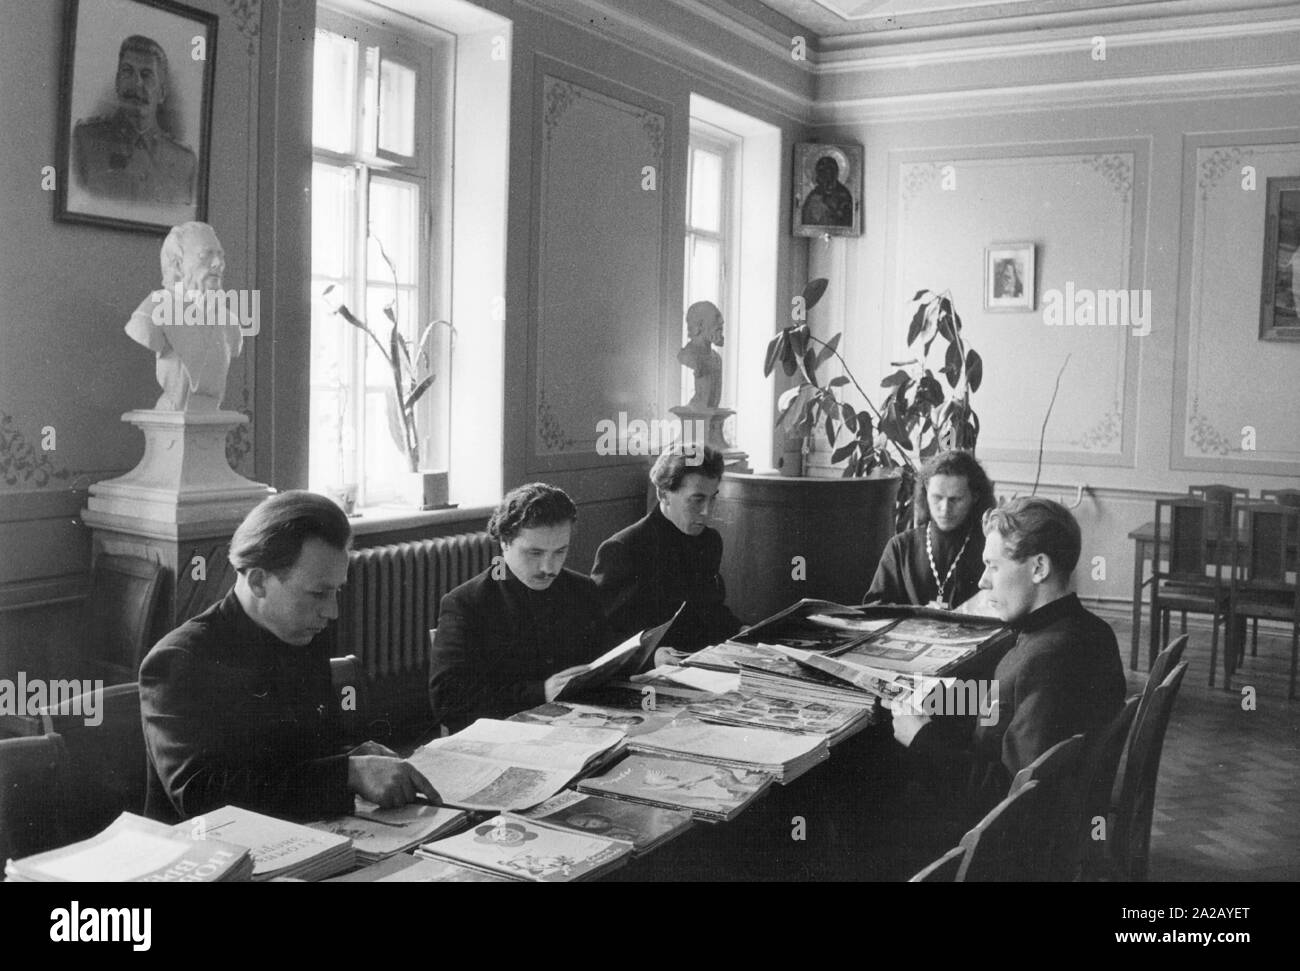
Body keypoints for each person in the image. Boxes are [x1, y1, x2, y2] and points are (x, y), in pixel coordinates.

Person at [140, 491, 439, 823]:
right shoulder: (180, 659)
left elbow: (297, 757)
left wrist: (348, 757)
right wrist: (346, 772)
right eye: (318, 593)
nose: (332, 611)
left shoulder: (302, 633)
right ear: (258, 581)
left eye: (336, 591)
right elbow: (201, 797)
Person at [890, 496, 1126, 839]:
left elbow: (1012, 800)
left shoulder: (1046, 660)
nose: (983, 581)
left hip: (1003, 845)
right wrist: (942, 708)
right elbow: (1007, 717)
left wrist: (922, 738)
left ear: (1039, 568)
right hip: (1058, 818)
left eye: (994, 566)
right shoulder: (1089, 631)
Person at [428, 483, 609, 733]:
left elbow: (607, 661)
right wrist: (541, 692)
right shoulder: (466, 603)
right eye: (535, 553)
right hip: (501, 738)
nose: (549, 568)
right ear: (505, 542)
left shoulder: (583, 589)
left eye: (560, 552)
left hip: (582, 730)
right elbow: (449, 702)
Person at [592, 445, 742, 654]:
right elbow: (602, 636)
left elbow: (710, 611)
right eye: (697, 499)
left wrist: (741, 631)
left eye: (713, 498)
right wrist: (652, 657)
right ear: (663, 494)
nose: (707, 511)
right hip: (649, 669)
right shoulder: (623, 549)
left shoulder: (710, 541)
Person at [125, 221, 242, 412]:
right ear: (178, 264)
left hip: (209, 416)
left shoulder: (229, 322)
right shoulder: (151, 312)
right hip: (173, 415)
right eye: (206, 255)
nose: (218, 264)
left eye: (221, 255)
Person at [72, 35, 197, 205]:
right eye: (127, 71)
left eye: (146, 75)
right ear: (117, 82)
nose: (136, 83)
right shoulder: (85, 140)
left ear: (162, 93)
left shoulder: (184, 162)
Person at [864, 449, 994, 608]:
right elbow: (875, 609)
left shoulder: (991, 548)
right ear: (926, 492)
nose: (945, 509)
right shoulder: (901, 547)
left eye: (955, 499)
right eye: (937, 497)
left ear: (975, 496)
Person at [677, 301, 725, 410]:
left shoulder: (716, 358)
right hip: (696, 415)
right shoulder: (688, 355)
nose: (722, 321)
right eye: (716, 317)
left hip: (710, 415)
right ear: (700, 325)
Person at [800, 155, 853, 227]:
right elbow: (806, 216)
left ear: (835, 174)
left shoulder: (843, 194)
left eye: (829, 173)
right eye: (822, 173)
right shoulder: (814, 194)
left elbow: (847, 217)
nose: (826, 177)